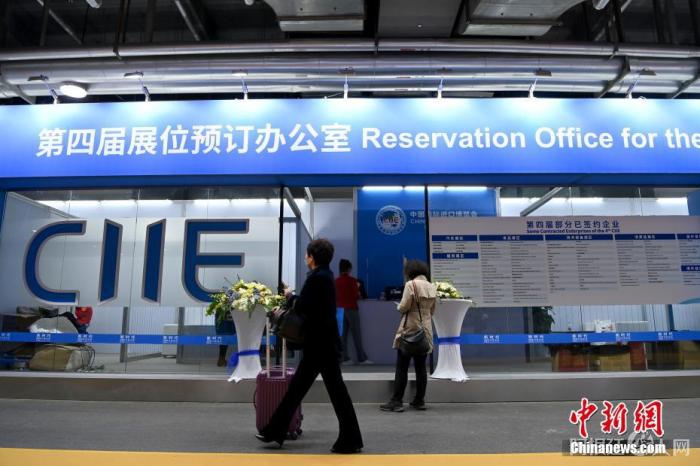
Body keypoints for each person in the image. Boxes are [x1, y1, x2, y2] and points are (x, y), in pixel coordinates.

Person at [256, 238, 363, 454]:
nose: (306, 257)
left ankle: (350, 439)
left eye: (307, 254)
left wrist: (290, 296)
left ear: (312, 257)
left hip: (319, 345)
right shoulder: (325, 276)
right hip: (323, 343)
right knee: (303, 390)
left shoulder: (317, 278)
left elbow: (304, 306)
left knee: (329, 392)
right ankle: (275, 431)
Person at [380, 259, 436, 412]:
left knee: (402, 367)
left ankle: (396, 401)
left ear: (410, 272)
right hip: (425, 331)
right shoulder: (431, 286)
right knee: (421, 368)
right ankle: (419, 400)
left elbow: (403, 307)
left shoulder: (411, 285)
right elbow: (432, 311)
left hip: (410, 328)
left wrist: (399, 306)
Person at [335, 259, 372, 365]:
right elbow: (356, 296)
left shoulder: (335, 281)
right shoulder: (352, 281)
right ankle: (361, 358)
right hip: (351, 308)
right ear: (349, 269)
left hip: (339, 310)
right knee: (356, 334)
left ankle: (344, 358)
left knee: (342, 336)